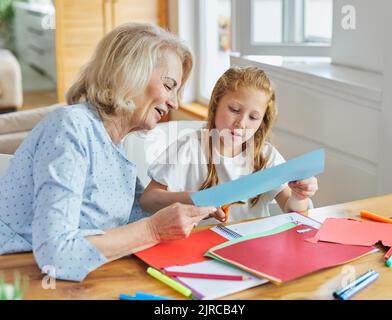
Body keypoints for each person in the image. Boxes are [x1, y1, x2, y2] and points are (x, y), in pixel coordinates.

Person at [0, 23, 224, 282]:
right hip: (19, 274)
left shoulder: (116, 150)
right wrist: (154, 229)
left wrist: (196, 203)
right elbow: (55, 254)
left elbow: (139, 213)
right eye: (169, 85)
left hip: (77, 280)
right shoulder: (70, 129)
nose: (175, 102)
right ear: (131, 72)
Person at [140, 67, 319, 222]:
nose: (241, 123)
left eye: (253, 117)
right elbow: (148, 200)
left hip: (251, 249)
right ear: (216, 104)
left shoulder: (266, 156)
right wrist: (199, 200)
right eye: (234, 109)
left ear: (262, 121)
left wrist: (299, 196)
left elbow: (292, 211)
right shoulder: (190, 147)